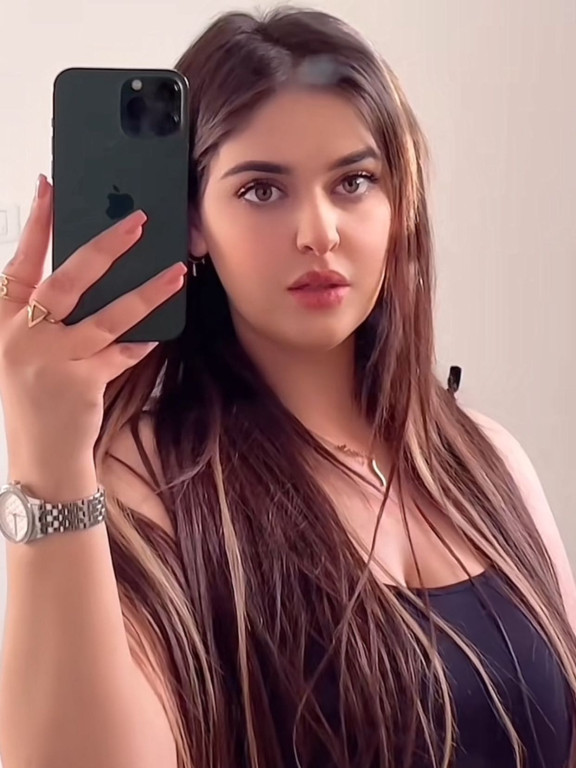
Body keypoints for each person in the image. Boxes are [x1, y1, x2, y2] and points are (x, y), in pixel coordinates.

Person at [0, 7, 574, 768]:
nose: (319, 232)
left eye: (354, 182)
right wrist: (46, 457)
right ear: (192, 222)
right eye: (262, 190)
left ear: (398, 203)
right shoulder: (152, 485)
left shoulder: (490, 461)